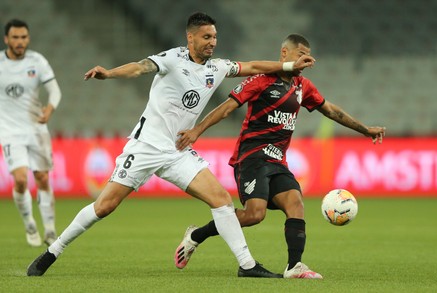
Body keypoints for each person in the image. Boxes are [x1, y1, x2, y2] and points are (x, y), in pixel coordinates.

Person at [26, 13, 315, 277]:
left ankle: (247, 265)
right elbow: (140, 67)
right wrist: (110, 73)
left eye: (214, 37)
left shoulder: (217, 67)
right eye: (206, 37)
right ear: (190, 38)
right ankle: (53, 251)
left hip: (177, 150)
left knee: (222, 201)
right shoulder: (172, 59)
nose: (212, 42)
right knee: (105, 206)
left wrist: (289, 65)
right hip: (146, 147)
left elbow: (252, 65)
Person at [174, 33, 386, 279]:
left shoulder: (302, 86)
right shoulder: (261, 80)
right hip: (251, 158)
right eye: (300, 54)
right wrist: (197, 130)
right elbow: (227, 108)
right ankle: (196, 235)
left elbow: (331, 110)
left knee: (295, 203)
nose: (306, 60)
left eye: (308, 55)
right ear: (285, 54)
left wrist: (365, 130)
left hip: (277, 162)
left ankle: (294, 266)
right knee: (255, 215)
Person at [0, 19, 62, 247]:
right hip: (9, 131)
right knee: (19, 180)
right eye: (15, 37)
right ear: (7, 39)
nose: (20, 42)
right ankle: (29, 223)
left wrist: (49, 109)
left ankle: (50, 230)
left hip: (36, 129)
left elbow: (54, 90)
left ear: (28, 38)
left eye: (23, 37)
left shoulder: (37, 61)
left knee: (43, 178)